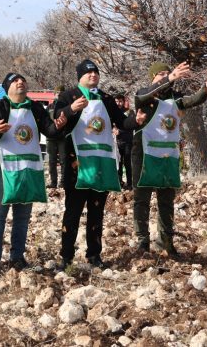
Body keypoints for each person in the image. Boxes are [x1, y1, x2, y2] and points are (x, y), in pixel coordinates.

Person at [53, 59, 146, 269]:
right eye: (88, 72)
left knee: (97, 212)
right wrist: (70, 109)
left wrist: (136, 121)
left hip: (101, 164)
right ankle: (66, 256)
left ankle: (94, 255)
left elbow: (121, 121)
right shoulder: (68, 96)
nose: (93, 75)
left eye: (96, 72)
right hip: (77, 165)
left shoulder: (105, 98)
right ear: (80, 76)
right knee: (72, 212)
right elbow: (56, 118)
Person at [0, 73, 67, 273]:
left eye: (23, 80)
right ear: (7, 88)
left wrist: (58, 125)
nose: (20, 82)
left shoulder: (35, 107)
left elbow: (49, 130)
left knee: (22, 215)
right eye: (15, 81)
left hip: (27, 167)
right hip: (2, 167)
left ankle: (17, 257)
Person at [132, 61, 207, 256]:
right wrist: (169, 78)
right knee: (141, 200)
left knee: (166, 201)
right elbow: (141, 97)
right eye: (160, 74)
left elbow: (193, 100)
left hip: (168, 157)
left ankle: (166, 242)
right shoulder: (144, 95)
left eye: (167, 73)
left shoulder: (175, 98)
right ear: (152, 78)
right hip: (144, 156)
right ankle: (142, 243)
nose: (165, 76)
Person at [46, 86, 67, 188]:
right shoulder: (50, 107)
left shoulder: (67, 106)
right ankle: (53, 182)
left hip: (63, 137)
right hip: (51, 137)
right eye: (57, 92)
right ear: (54, 94)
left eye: (61, 92)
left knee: (64, 160)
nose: (59, 94)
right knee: (52, 161)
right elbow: (45, 121)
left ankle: (63, 182)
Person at [113, 94, 134, 190]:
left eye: (120, 101)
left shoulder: (129, 112)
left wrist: (120, 131)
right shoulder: (112, 112)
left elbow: (131, 126)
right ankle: (119, 182)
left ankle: (130, 183)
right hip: (116, 142)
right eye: (116, 101)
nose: (118, 103)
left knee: (127, 163)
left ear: (123, 101)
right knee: (118, 162)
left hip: (127, 141)